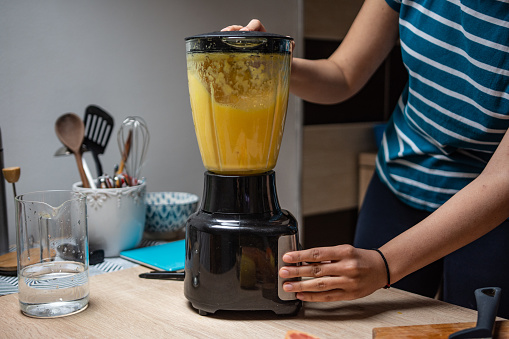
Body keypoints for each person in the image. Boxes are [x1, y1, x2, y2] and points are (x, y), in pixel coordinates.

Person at [222, 0, 509, 317]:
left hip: (495, 211)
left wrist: (383, 264)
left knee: (475, 324)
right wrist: (273, 61)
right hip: (397, 184)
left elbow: (502, 178)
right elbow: (342, 74)